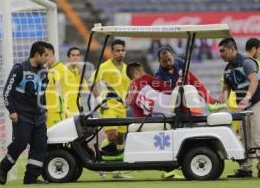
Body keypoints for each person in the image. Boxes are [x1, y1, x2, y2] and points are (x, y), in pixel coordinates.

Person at [0, 41, 50, 185]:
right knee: (20, 143)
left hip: (38, 116)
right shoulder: (19, 68)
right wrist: (12, 110)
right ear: (37, 54)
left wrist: (44, 109)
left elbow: (42, 93)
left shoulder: (44, 72)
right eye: (45, 55)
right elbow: (7, 92)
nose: (47, 59)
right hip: (22, 115)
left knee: (40, 146)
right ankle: (3, 168)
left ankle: (30, 179)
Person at [218, 38, 260, 178]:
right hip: (245, 105)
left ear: (231, 49)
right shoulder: (228, 69)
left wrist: (246, 98)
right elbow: (225, 90)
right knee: (243, 136)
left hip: (258, 101)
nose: (220, 54)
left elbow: (254, 82)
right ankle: (246, 168)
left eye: (223, 50)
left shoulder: (246, 62)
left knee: (256, 135)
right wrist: (219, 105)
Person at [126, 62, 183, 180]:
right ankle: (168, 169)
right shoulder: (145, 79)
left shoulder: (131, 88)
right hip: (161, 116)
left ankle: (166, 169)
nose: (145, 73)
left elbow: (134, 111)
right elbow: (166, 87)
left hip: (142, 123)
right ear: (137, 72)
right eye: (142, 70)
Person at [89, 39, 131, 178]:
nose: (120, 53)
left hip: (121, 107)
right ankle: (99, 160)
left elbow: (132, 87)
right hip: (108, 106)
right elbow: (91, 82)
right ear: (112, 52)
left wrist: (128, 100)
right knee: (112, 136)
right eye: (117, 50)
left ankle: (117, 171)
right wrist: (99, 100)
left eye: (122, 50)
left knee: (120, 139)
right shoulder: (104, 66)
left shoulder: (127, 68)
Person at [45, 43, 74, 128]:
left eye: (47, 55)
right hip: (47, 110)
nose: (45, 58)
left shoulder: (61, 69)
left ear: (52, 55)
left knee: (57, 138)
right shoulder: (48, 70)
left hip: (57, 110)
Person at [65, 46, 88, 116]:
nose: (75, 57)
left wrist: (80, 72)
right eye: (73, 55)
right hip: (66, 109)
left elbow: (85, 88)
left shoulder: (78, 72)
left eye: (77, 55)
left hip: (76, 108)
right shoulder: (63, 70)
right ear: (68, 58)